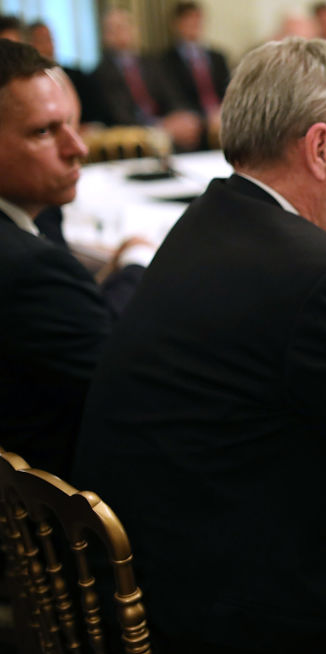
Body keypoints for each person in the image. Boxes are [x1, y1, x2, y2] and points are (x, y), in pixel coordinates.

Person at [73, 38, 326, 654]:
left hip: (153, 580)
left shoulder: (213, 220)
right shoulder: (319, 276)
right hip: (242, 627)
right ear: (320, 147)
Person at [0, 39, 146, 477]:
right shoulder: (29, 268)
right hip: (71, 491)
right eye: (44, 132)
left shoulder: (33, 234)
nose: (78, 147)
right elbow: (125, 377)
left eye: (71, 124)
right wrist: (137, 267)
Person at [89, 8, 202, 150]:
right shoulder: (101, 74)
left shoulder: (153, 64)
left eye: (125, 26)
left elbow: (172, 96)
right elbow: (119, 116)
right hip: (135, 136)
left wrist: (180, 116)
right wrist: (159, 126)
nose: (120, 33)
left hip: (166, 127)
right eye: (114, 28)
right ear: (105, 35)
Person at [159, 1, 230, 144]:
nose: (194, 25)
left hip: (221, 115)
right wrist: (203, 117)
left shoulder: (217, 57)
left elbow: (229, 89)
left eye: (197, 20)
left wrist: (224, 111)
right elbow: (172, 96)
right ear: (176, 24)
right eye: (188, 20)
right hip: (193, 119)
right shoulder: (166, 60)